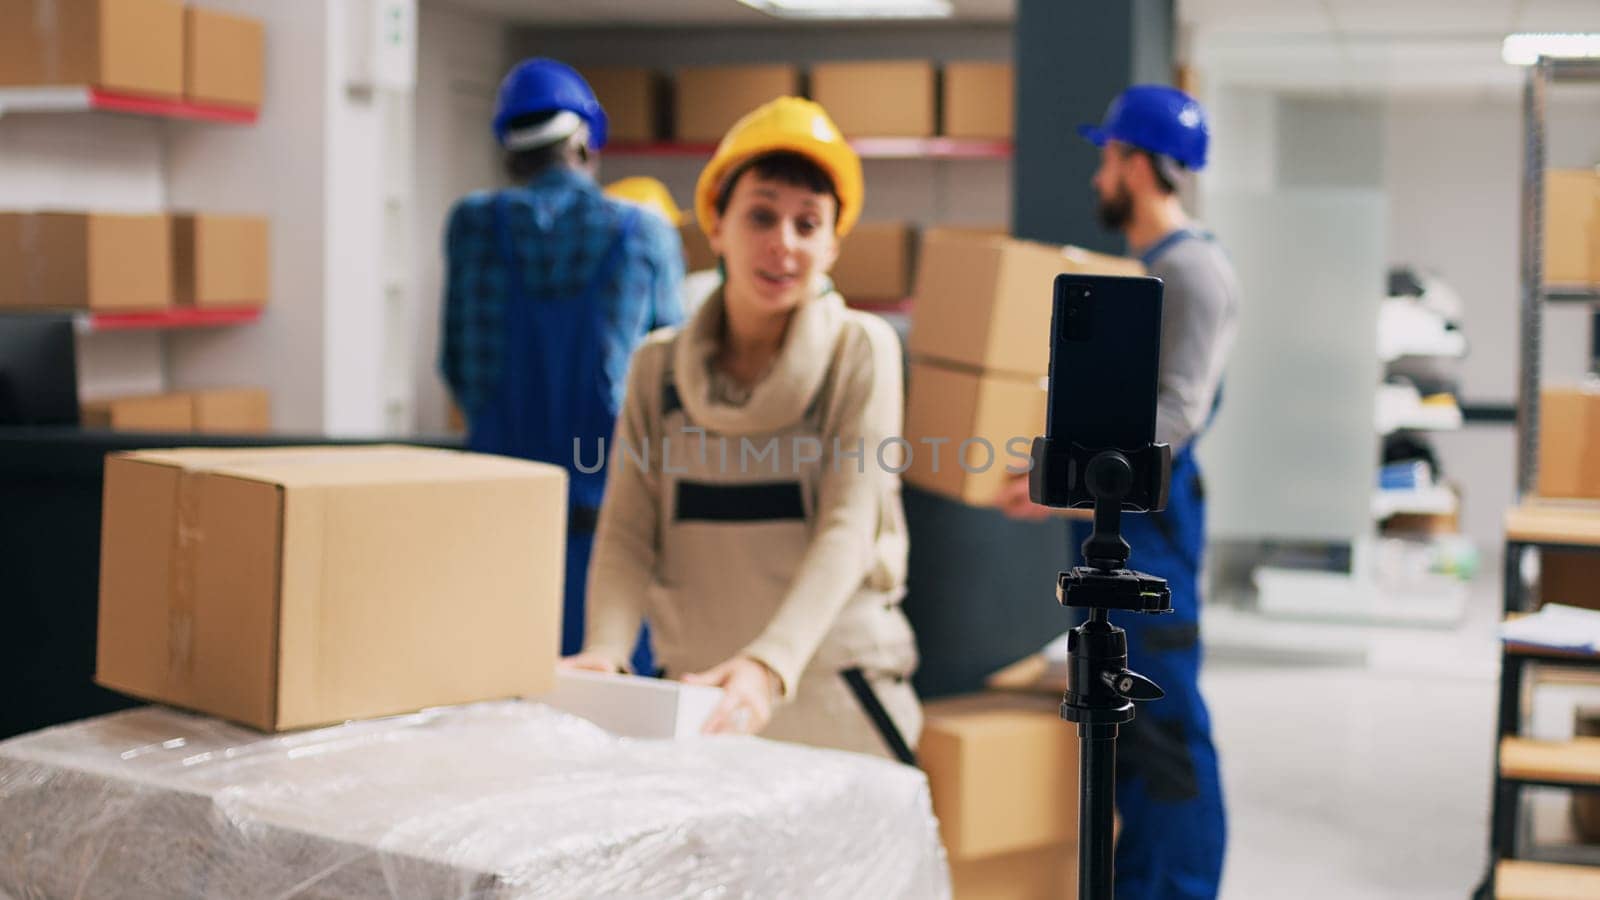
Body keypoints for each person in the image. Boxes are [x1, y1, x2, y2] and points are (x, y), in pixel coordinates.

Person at [561, 97, 921, 763]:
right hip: (702, 703)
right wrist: (607, 653)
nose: (783, 241)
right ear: (717, 225)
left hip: (833, 697)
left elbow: (849, 525)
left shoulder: (860, 352)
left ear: (831, 245)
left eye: (807, 223)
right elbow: (628, 531)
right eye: (761, 215)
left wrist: (767, 666)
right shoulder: (657, 368)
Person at [996, 84, 1240, 900]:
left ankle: (1177, 890)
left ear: (1136, 166)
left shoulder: (1193, 272)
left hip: (1154, 530)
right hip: (1133, 526)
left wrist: (1058, 491)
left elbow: (1175, 422)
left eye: (1107, 157)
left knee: (1163, 726)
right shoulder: (1152, 271)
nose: (1099, 175)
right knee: (1129, 732)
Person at [440, 58, 684, 677]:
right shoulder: (643, 232)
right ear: (584, 141)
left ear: (509, 149)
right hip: (611, 541)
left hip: (494, 529)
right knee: (613, 727)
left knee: (495, 710)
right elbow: (675, 388)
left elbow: (455, 364)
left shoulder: (472, 226)